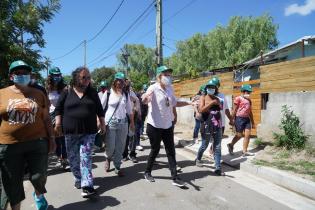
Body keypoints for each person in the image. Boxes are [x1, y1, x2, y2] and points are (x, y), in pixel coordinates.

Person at [0, 60, 56, 210]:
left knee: (39, 176)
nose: (22, 75)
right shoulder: (2, 94)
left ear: (30, 75)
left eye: (25, 72)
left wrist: (52, 139)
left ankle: (39, 196)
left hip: (37, 143)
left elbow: (46, 118)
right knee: (12, 183)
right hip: (9, 145)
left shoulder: (38, 93)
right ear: (11, 76)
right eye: (18, 73)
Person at [54, 66, 105, 198]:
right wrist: (58, 124)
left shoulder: (93, 92)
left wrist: (103, 124)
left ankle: (87, 185)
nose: (87, 79)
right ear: (76, 78)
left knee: (85, 157)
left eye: (89, 77)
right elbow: (58, 109)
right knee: (73, 158)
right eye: (84, 77)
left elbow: (100, 110)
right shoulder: (67, 91)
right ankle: (78, 178)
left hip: (89, 131)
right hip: (70, 131)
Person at [142, 65, 191, 187]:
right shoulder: (153, 88)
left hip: (167, 125)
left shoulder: (170, 88)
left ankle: (175, 177)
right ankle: (147, 172)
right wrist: (145, 98)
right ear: (159, 76)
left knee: (171, 151)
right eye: (166, 74)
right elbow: (145, 100)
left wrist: (189, 102)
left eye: (170, 74)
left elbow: (174, 102)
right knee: (155, 149)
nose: (169, 77)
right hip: (154, 126)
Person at [101, 72, 134, 176]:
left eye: (122, 81)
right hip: (111, 123)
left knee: (120, 146)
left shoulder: (126, 94)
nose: (119, 83)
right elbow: (100, 108)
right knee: (110, 146)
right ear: (114, 81)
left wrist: (132, 122)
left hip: (123, 122)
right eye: (118, 80)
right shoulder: (108, 93)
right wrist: (99, 121)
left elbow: (129, 110)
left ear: (124, 82)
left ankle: (117, 166)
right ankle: (108, 158)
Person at [196, 79, 225, 175]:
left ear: (215, 89)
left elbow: (220, 108)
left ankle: (217, 167)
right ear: (206, 88)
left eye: (213, 87)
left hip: (217, 125)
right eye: (209, 87)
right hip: (206, 125)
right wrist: (212, 103)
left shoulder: (218, 98)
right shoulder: (203, 97)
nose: (211, 89)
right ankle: (198, 158)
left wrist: (218, 103)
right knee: (205, 145)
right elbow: (201, 110)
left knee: (217, 146)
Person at [46, 67, 68, 170]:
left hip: (63, 115)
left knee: (64, 138)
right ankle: (59, 156)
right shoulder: (46, 89)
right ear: (50, 76)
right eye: (55, 75)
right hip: (51, 116)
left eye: (58, 75)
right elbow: (46, 104)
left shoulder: (65, 88)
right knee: (56, 139)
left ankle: (65, 159)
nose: (57, 77)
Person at [227, 84, 255, 157]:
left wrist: (253, 122)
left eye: (249, 92)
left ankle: (244, 151)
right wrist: (231, 119)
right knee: (239, 135)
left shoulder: (249, 100)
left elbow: (250, 111)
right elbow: (235, 109)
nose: (248, 93)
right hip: (239, 118)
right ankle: (231, 145)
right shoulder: (238, 98)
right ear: (243, 91)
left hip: (247, 119)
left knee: (247, 135)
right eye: (247, 92)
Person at [122, 80, 140, 163]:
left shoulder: (131, 93)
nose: (127, 86)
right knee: (125, 136)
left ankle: (132, 154)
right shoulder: (119, 93)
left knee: (133, 135)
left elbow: (137, 101)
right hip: (123, 116)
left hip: (132, 115)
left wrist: (137, 111)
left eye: (128, 85)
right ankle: (124, 154)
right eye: (125, 85)